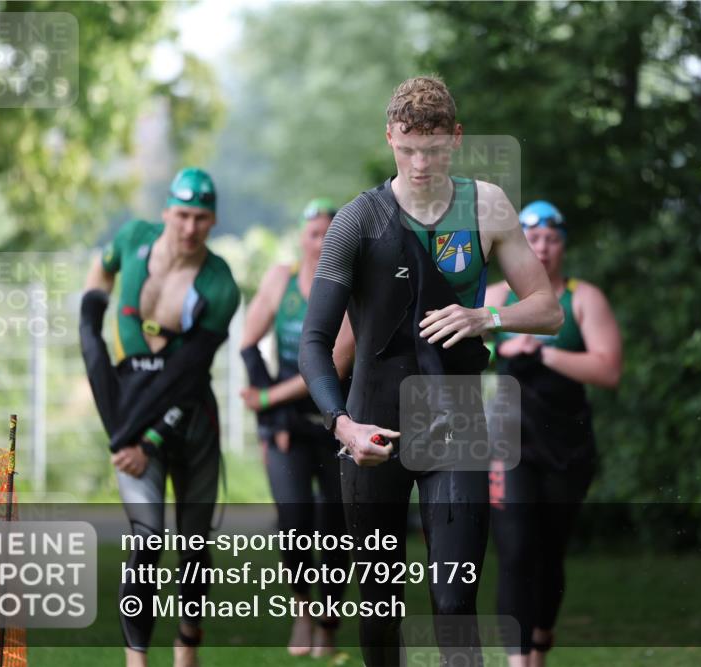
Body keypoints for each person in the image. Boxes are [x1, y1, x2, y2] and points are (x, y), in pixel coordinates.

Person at [298, 76, 564, 667]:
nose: (420, 163)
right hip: (372, 427)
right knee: (379, 607)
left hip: (457, 424)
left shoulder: (486, 204)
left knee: (453, 600)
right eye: (408, 148)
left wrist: (485, 315)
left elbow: (547, 310)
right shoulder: (357, 222)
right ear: (389, 136)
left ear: (457, 140)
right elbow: (315, 342)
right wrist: (342, 426)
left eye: (435, 149)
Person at [80, 167, 240, 667]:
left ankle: (187, 649)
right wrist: (92, 310)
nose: (190, 228)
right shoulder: (132, 239)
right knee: (146, 544)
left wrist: (144, 440)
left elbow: (187, 378)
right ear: (166, 212)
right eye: (182, 215)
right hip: (131, 412)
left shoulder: (219, 284)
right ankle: (136, 660)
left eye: (201, 218)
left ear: (212, 221)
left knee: (193, 549)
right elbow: (100, 272)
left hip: (188, 418)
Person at [485, 200, 622, 667]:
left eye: (551, 238)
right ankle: (518, 659)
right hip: (507, 442)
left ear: (563, 245)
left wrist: (541, 354)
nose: (541, 248)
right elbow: (457, 357)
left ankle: (541, 638)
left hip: (566, 444)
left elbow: (608, 370)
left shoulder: (582, 298)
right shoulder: (497, 298)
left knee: (549, 550)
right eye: (532, 238)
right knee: (516, 549)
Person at [239, 198, 355, 657]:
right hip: (288, 429)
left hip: (336, 423)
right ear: (302, 238)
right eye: (314, 233)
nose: (322, 240)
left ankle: (329, 620)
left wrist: (268, 399)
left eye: (331, 232)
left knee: (334, 526)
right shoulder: (281, 279)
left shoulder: (351, 288)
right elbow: (249, 345)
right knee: (294, 521)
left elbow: (333, 367)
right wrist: (275, 418)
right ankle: (302, 611)